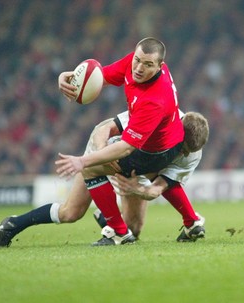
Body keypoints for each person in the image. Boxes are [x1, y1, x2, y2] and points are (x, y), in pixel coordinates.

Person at [0, 111, 209, 247]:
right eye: (182, 148)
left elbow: (158, 188)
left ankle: (109, 219)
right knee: (71, 212)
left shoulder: (191, 154)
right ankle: (13, 224)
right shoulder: (155, 117)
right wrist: (104, 152)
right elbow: (103, 128)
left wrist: (137, 189)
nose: (184, 154)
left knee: (134, 230)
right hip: (107, 150)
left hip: (138, 168)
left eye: (188, 151)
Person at [56, 37, 186, 246]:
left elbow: (127, 147)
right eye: (138, 60)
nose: (139, 68)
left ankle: (117, 231)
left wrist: (83, 161)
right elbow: (100, 76)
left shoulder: (154, 99)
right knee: (135, 225)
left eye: (148, 64)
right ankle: (190, 221)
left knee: (91, 168)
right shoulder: (133, 64)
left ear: (160, 66)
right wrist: (65, 76)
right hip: (161, 139)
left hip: (155, 152)